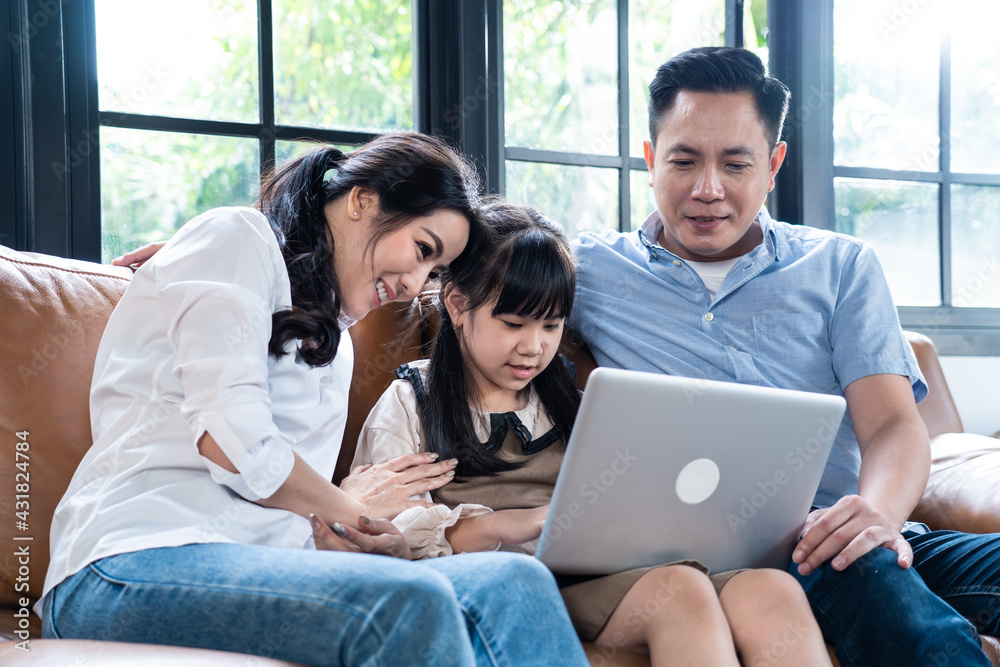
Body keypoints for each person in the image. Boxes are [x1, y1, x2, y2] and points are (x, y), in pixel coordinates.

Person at [40, 133, 590, 667]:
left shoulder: (336, 342)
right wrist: (348, 510)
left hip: (263, 564)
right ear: (361, 200)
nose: (414, 283)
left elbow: (293, 517)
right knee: (405, 603)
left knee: (513, 582)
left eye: (435, 269)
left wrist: (369, 541)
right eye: (422, 249)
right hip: (133, 558)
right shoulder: (236, 239)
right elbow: (234, 445)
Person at [569, 46, 1000, 666]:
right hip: (756, 561)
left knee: (868, 559)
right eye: (683, 161)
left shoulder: (840, 267)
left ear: (773, 165)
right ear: (650, 159)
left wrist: (875, 515)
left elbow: (892, 426)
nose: (707, 189)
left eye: (735, 164)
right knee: (878, 593)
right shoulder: (588, 273)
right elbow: (471, 294)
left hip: (867, 536)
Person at [352, 199, 833, 666]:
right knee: (679, 593)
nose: (533, 347)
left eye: (551, 325)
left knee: (772, 589)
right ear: (458, 305)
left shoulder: (577, 399)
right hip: (515, 586)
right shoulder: (415, 397)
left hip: (602, 573)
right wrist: (509, 523)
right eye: (514, 323)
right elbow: (385, 529)